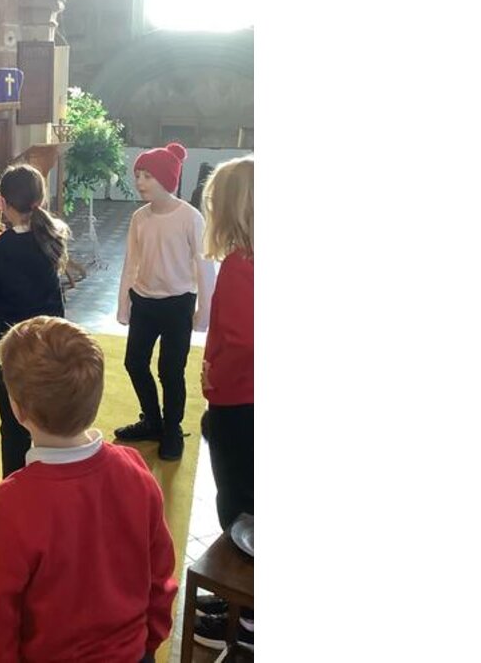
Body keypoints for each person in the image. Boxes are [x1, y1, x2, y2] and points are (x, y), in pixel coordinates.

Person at [0, 316, 177, 663]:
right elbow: (160, 574)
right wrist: (148, 643)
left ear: (17, 410)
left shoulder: (9, 504)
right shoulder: (135, 469)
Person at [190, 155, 255, 652]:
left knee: (238, 505)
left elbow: (241, 340)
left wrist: (215, 380)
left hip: (240, 400)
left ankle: (247, 619)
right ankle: (241, 595)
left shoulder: (240, 265)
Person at [114, 143, 215, 462]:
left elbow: (204, 266)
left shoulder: (190, 218)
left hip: (178, 304)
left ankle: (172, 428)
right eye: (138, 175)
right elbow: (131, 261)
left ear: (168, 179)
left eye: (148, 176)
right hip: (144, 301)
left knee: (171, 370)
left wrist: (204, 312)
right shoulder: (139, 218)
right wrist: (123, 303)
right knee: (134, 362)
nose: (140, 182)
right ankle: (152, 420)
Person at [0, 164, 67, 478]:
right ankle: (49, 479)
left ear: (3, 204)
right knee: (45, 416)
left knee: (13, 423)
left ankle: (14, 485)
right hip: (46, 341)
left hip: (8, 346)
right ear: (40, 199)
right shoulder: (51, 238)